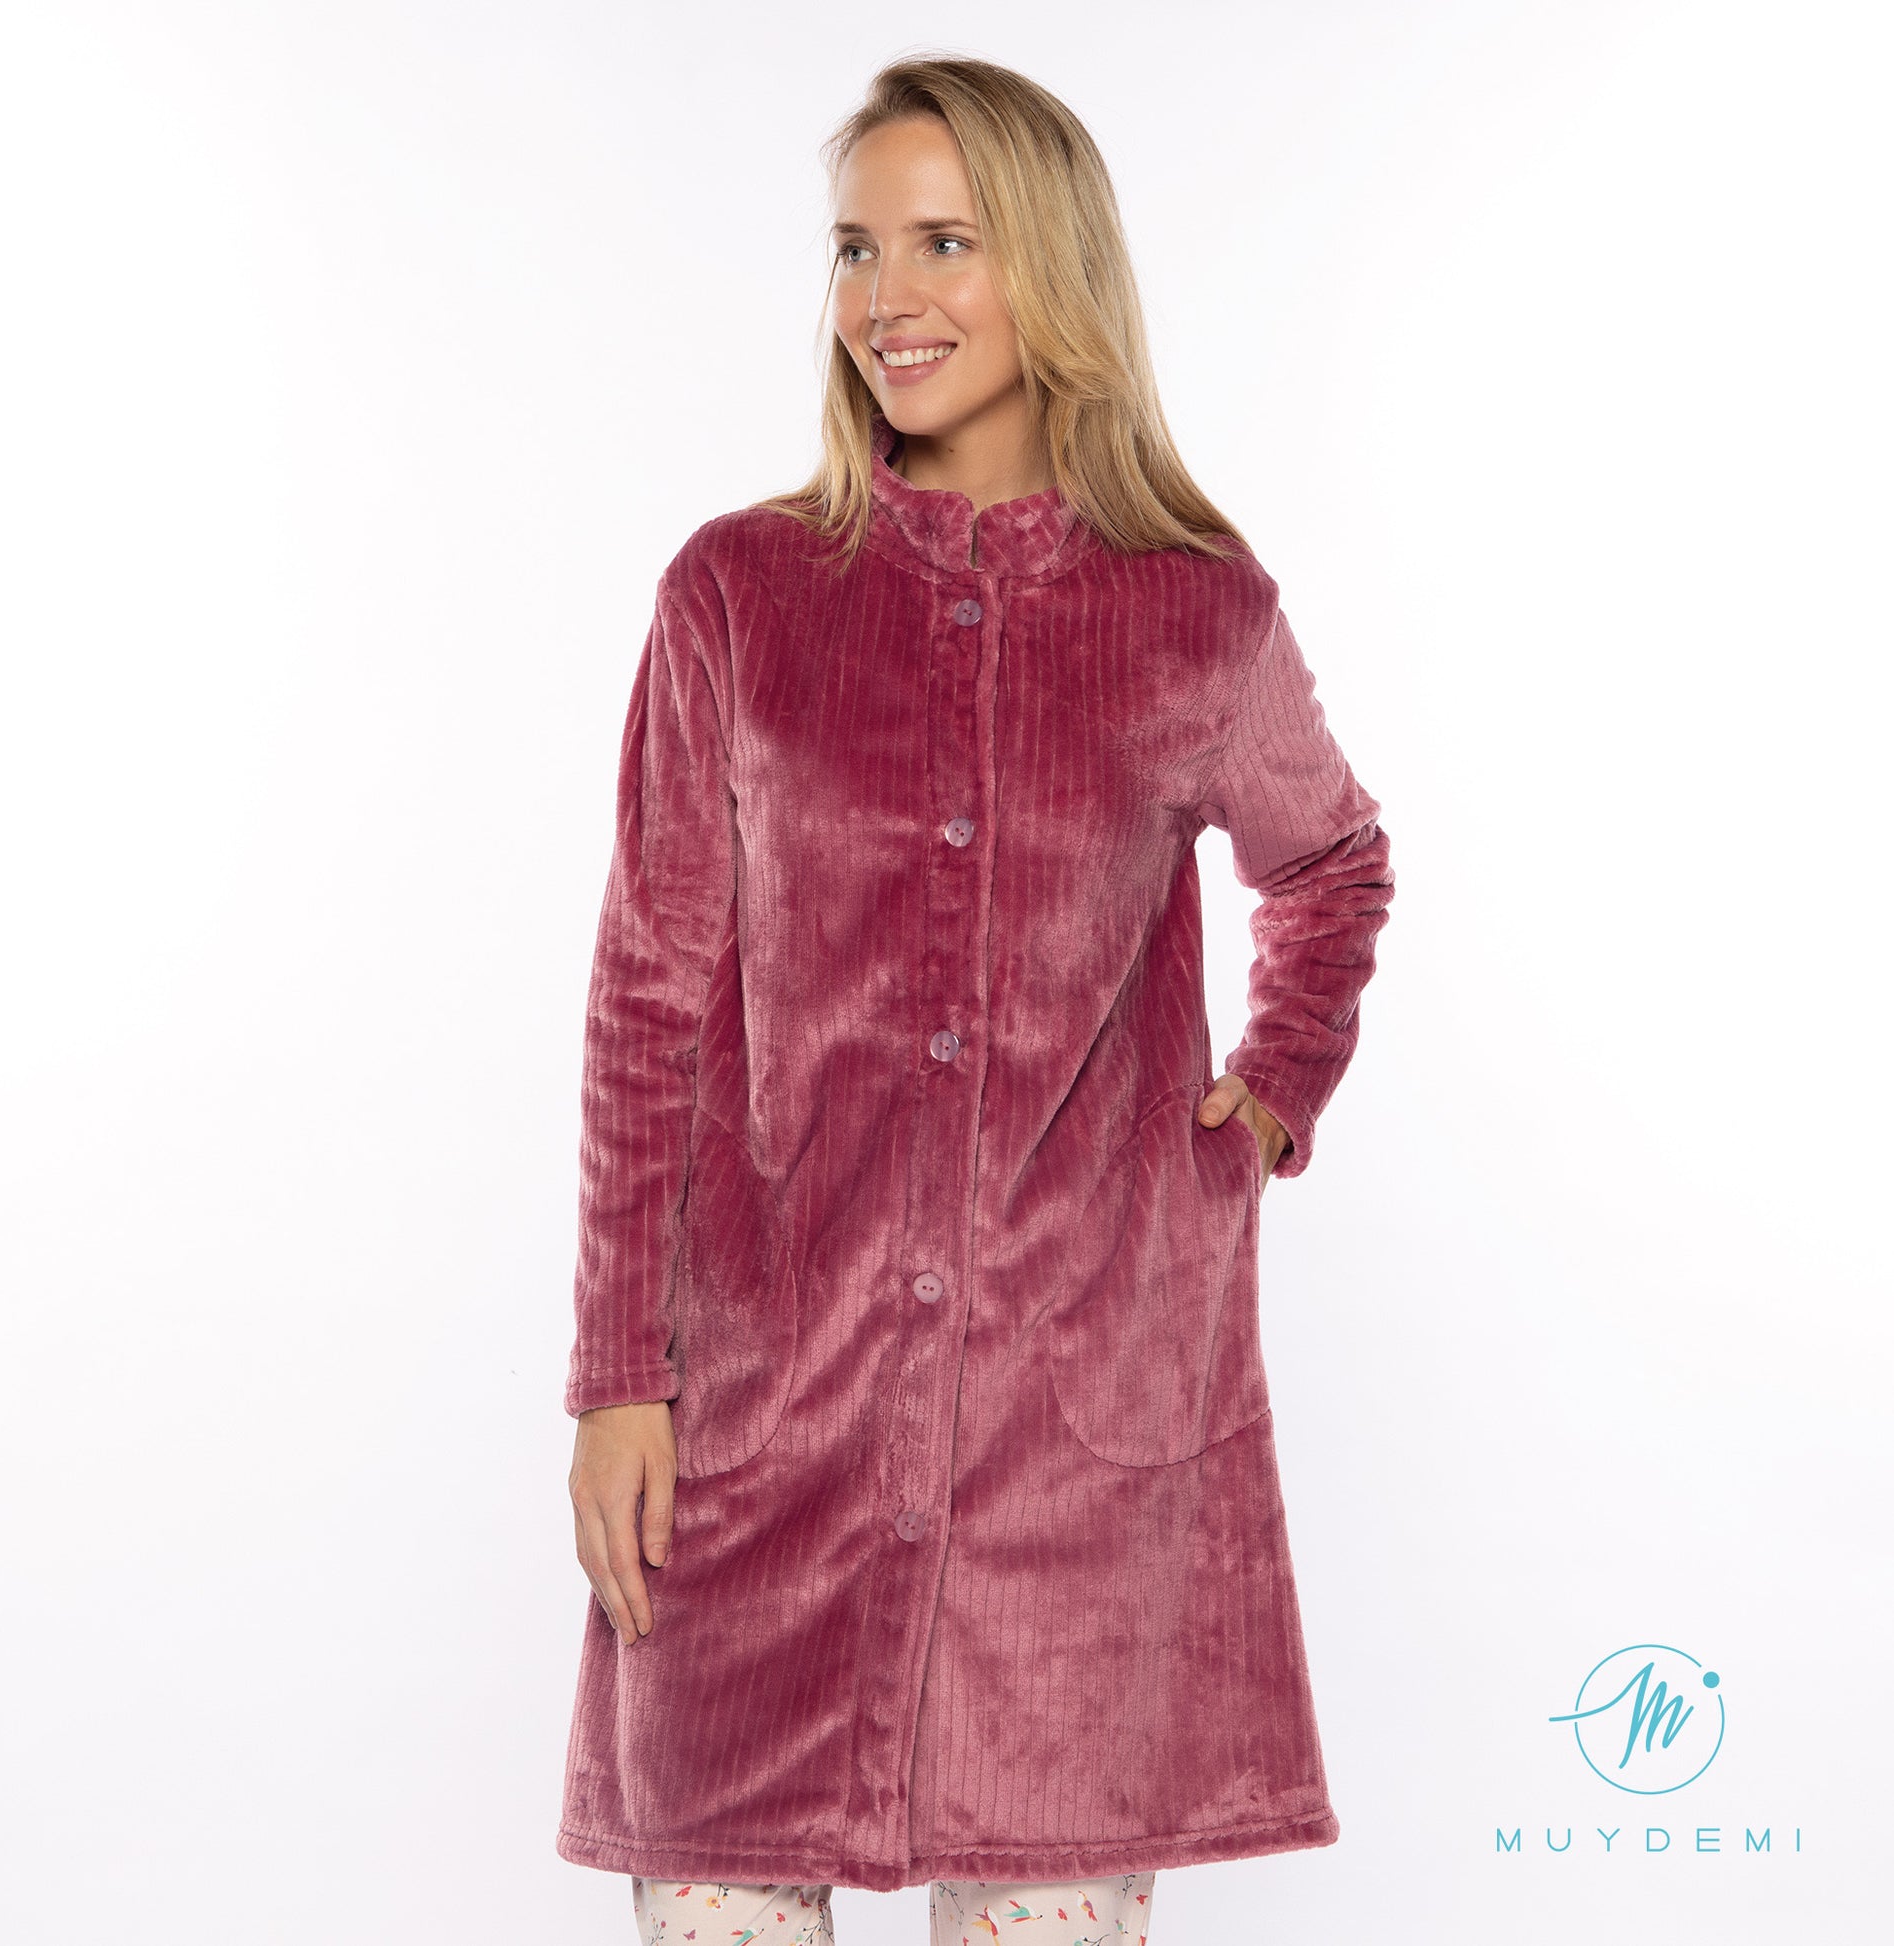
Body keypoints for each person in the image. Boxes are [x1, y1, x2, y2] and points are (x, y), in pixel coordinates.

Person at [558, 55, 1396, 1945]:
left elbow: (1331, 861)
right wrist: (615, 1377)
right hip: (757, 1434)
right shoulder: (736, 595)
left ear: (1053, 267)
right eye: (857, 249)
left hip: (1067, 1465)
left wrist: (1273, 1079)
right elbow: (643, 1006)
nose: (888, 296)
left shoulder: (1194, 610)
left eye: (945, 242)